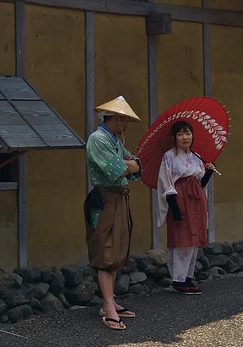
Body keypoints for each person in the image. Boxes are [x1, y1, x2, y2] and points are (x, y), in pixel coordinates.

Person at [85, 95, 142, 331]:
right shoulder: (98, 139)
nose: (126, 124)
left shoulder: (113, 140)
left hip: (118, 198)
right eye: (125, 119)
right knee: (106, 250)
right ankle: (107, 304)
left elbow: (138, 165)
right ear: (117, 118)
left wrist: (130, 164)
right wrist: (129, 164)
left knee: (117, 247)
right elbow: (117, 170)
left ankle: (111, 300)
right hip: (105, 199)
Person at [155, 120, 215, 295]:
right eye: (180, 134)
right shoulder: (168, 156)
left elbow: (201, 182)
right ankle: (178, 279)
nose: (185, 137)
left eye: (188, 133)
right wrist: (174, 207)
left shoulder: (196, 156)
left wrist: (209, 171)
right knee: (182, 239)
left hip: (196, 197)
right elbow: (165, 181)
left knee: (194, 239)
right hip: (179, 198)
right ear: (174, 138)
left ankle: (188, 277)